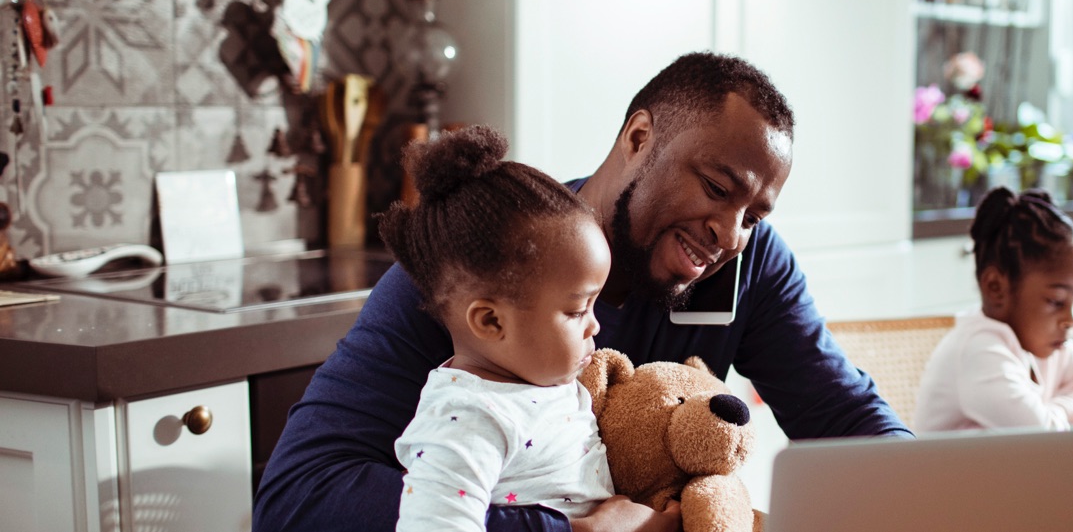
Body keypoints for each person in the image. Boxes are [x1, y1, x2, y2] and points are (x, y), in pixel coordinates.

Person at [253, 52, 911, 532]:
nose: (731, 234)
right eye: (716, 186)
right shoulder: (480, 268)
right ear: (638, 137)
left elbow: (847, 422)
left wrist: (943, 489)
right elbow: (297, 500)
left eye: (755, 215)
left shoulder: (751, 268)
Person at [378, 126, 621, 530]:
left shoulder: (542, 383)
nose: (595, 324)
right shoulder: (467, 419)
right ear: (491, 321)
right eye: (578, 310)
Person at [913, 187, 1073, 432]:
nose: (1072, 320)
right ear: (995, 287)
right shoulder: (978, 351)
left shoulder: (1043, 346)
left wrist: (1059, 410)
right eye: (1056, 301)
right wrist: (1056, 416)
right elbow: (1042, 434)